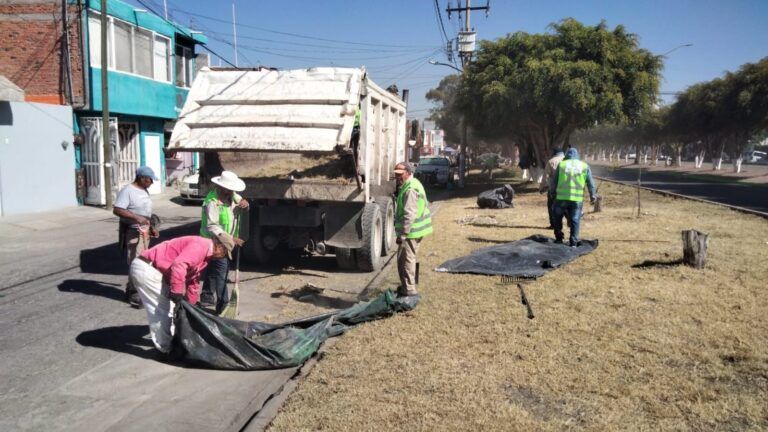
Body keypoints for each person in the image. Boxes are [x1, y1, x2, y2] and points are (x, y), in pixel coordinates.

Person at [129, 233, 236, 353]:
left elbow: (193, 281)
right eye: (225, 253)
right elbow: (179, 265)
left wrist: (192, 306)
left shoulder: (205, 255)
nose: (223, 257)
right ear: (220, 247)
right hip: (147, 268)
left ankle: (173, 342)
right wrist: (177, 292)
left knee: (172, 310)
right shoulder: (200, 246)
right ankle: (165, 349)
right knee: (163, 311)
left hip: (152, 270)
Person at [199, 170, 248, 313]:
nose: (232, 191)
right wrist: (232, 239)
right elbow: (212, 226)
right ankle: (223, 305)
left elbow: (241, 201)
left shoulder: (232, 196)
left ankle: (206, 296)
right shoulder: (212, 202)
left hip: (226, 241)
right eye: (230, 188)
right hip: (213, 242)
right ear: (222, 187)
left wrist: (245, 203)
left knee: (215, 269)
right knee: (222, 272)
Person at [114, 166, 160, 307]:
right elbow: (117, 209)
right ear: (142, 178)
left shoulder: (144, 191)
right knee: (136, 263)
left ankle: (134, 289)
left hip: (145, 232)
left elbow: (145, 213)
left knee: (144, 263)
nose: (151, 183)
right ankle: (134, 293)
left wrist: (152, 227)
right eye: (150, 180)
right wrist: (136, 218)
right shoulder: (128, 191)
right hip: (134, 233)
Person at [393, 162, 433, 297]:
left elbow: (409, 214)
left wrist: (403, 234)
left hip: (412, 231)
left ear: (408, 173)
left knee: (406, 260)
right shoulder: (412, 183)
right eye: (396, 175)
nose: (398, 177)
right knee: (405, 259)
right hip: (415, 230)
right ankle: (407, 286)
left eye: (400, 174)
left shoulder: (410, 189)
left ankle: (409, 291)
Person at [550, 148, 598, 246]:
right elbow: (590, 183)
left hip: (561, 198)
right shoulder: (584, 166)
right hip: (576, 199)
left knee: (557, 217)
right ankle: (573, 242)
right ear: (577, 156)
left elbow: (554, 181)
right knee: (575, 219)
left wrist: (552, 193)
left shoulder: (562, 165)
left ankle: (559, 238)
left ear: (566, 155)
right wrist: (593, 195)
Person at [539, 148, 565, 229]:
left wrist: (542, 188)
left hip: (553, 188)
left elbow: (545, 177)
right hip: (566, 189)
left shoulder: (551, 161)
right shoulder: (567, 161)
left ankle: (554, 224)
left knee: (552, 207)